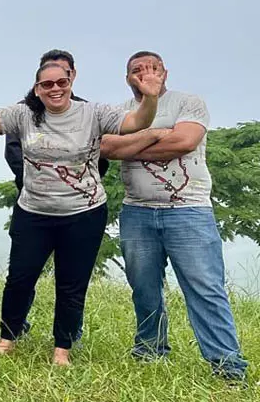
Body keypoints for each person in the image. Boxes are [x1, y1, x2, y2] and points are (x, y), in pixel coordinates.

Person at [0, 58, 163, 366]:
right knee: (20, 279)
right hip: (34, 212)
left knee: (71, 283)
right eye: (47, 84)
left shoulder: (92, 112)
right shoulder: (24, 114)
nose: (55, 89)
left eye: (61, 82)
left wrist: (150, 98)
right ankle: (6, 340)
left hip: (83, 213)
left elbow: (137, 123)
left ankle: (62, 349)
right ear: (37, 90)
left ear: (71, 83)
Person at [101, 52, 248, 381]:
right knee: (144, 288)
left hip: (189, 210)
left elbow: (185, 141)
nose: (144, 74)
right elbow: (107, 148)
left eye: (152, 68)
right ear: (127, 78)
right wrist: (155, 134)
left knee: (205, 288)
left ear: (164, 72)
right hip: (136, 210)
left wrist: (134, 144)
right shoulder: (120, 111)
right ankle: (150, 351)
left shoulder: (187, 103)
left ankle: (227, 366)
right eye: (136, 70)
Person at [5, 50, 98, 191]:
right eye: (49, 72)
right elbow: (13, 151)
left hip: (81, 196)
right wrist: (40, 179)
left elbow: (100, 154)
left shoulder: (89, 111)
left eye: (63, 72)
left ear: (72, 74)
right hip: (34, 194)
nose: (56, 77)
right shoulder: (23, 111)